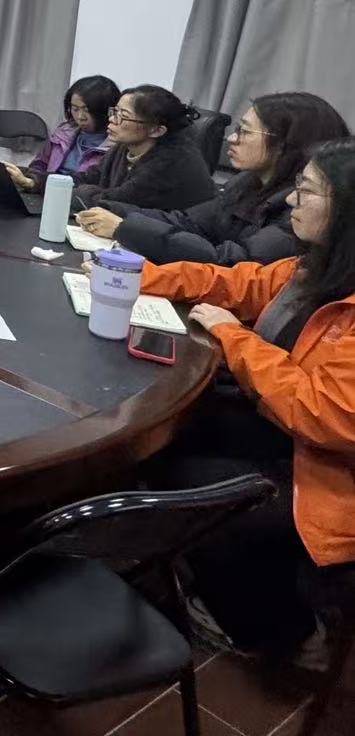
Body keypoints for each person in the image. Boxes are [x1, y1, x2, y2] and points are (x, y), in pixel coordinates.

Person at [142, 137, 355, 663]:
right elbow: (236, 284)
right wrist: (139, 276)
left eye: (307, 191)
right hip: (286, 431)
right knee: (166, 430)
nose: (291, 201)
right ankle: (199, 567)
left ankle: (289, 637)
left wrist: (234, 337)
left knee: (207, 493)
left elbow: (321, 414)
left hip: (330, 472)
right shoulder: (317, 268)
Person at [78, 93, 348, 264]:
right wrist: (113, 212)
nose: (232, 139)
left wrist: (126, 228)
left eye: (245, 132)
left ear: (285, 144)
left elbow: (232, 262)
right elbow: (186, 222)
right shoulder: (246, 184)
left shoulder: (302, 210)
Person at [68, 84, 215, 212]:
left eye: (123, 116)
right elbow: (89, 178)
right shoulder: (125, 147)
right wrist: (59, 183)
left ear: (156, 130)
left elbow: (110, 204)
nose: (112, 119)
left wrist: (79, 191)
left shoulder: (172, 163)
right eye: (115, 112)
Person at [5, 74, 120, 193]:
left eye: (87, 110)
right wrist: (31, 180)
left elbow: (95, 187)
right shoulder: (64, 132)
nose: (80, 117)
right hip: (44, 191)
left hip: (80, 198)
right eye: (75, 109)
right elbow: (40, 164)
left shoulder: (116, 147)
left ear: (106, 111)